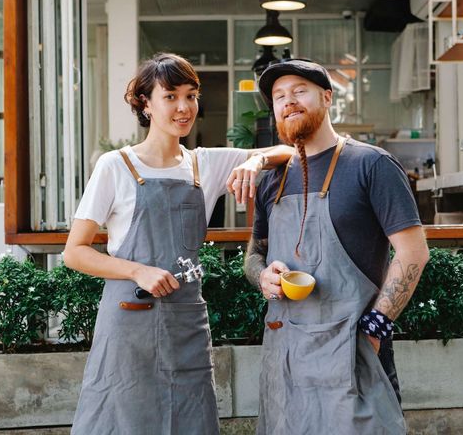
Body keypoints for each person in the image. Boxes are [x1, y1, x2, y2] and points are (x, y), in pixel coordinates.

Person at [64, 53, 294, 435]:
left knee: (190, 418)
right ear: (145, 103)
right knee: (124, 417)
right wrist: (137, 269)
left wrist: (254, 163)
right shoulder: (115, 166)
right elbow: (75, 251)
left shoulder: (205, 164)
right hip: (129, 317)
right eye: (170, 96)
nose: (184, 107)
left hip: (186, 319)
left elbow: (286, 152)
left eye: (191, 95)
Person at [244, 59, 430, 434]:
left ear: (327, 97)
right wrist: (261, 275)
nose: (288, 101)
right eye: (279, 96)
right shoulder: (271, 179)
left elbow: (414, 252)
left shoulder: (371, 165)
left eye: (299, 91)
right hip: (287, 352)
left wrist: (376, 327)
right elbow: (253, 253)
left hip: (351, 349)